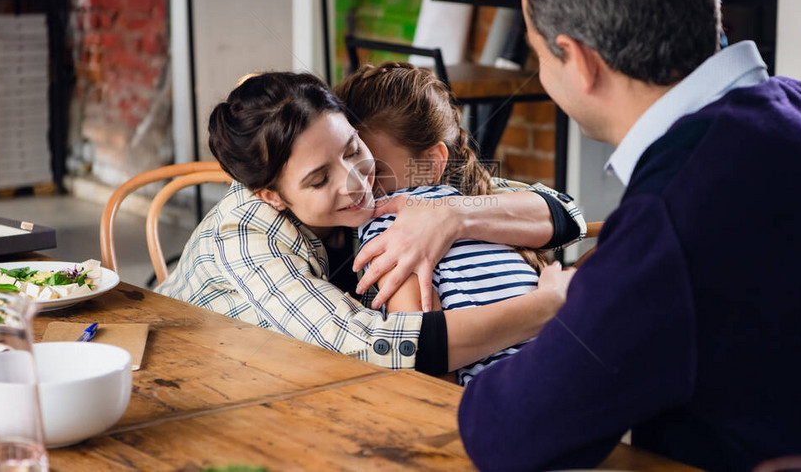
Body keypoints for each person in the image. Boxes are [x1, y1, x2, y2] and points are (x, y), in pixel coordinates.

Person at [457, 0, 801, 471]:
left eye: (540, 54)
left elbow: (507, 432)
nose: (541, 74)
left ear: (579, 61)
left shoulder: (673, 216)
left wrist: (570, 305)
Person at [158, 71, 582, 378]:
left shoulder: (395, 184)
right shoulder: (247, 234)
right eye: (320, 179)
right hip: (197, 371)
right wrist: (544, 310)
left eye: (353, 149)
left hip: (301, 374)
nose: (357, 182)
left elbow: (564, 212)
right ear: (272, 195)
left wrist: (450, 216)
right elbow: (372, 347)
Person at [336, 62, 580, 385]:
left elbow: (428, 368)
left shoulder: (385, 223)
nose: (356, 185)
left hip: (511, 398)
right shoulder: (482, 204)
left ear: (432, 163)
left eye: (374, 171)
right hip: (573, 370)